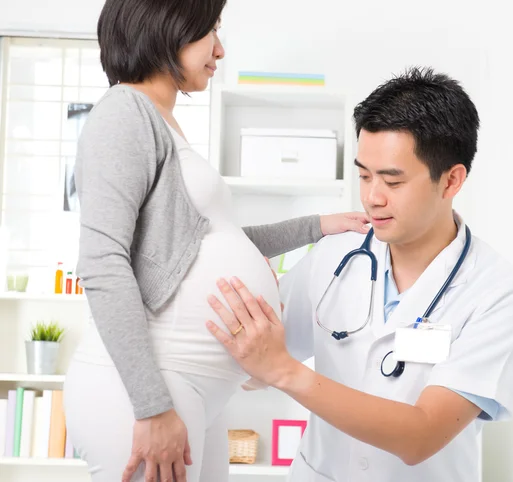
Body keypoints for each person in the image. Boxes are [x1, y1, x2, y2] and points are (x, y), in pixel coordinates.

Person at [62, 1, 369, 481]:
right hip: (152, 386)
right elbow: (103, 263)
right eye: (211, 33)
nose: (220, 50)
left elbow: (208, 243)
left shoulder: (163, 121)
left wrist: (317, 225)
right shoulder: (124, 113)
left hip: (192, 386)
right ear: (169, 29)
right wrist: (152, 408)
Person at [207, 67, 513, 482]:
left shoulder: (499, 293)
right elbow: (259, 363)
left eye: (392, 181)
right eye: (364, 175)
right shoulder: (335, 255)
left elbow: (422, 434)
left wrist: (284, 371)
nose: (371, 197)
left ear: (451, 180)